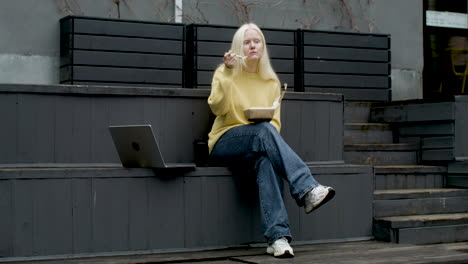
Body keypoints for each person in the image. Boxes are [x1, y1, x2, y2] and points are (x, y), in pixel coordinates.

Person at [207, 23, 335, 258]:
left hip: (258, 145)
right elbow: (217, 108)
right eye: (246, 42)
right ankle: (307, 188)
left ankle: (278, 238)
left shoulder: (271, 82)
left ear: (263, 46)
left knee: (266, 160)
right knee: (263, 131)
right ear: (238, 47)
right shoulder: (224, 73)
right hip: (225, 141)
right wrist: (227, 72)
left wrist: (261, 126)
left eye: (257, 41)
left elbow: (274, 124)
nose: (252, 45)